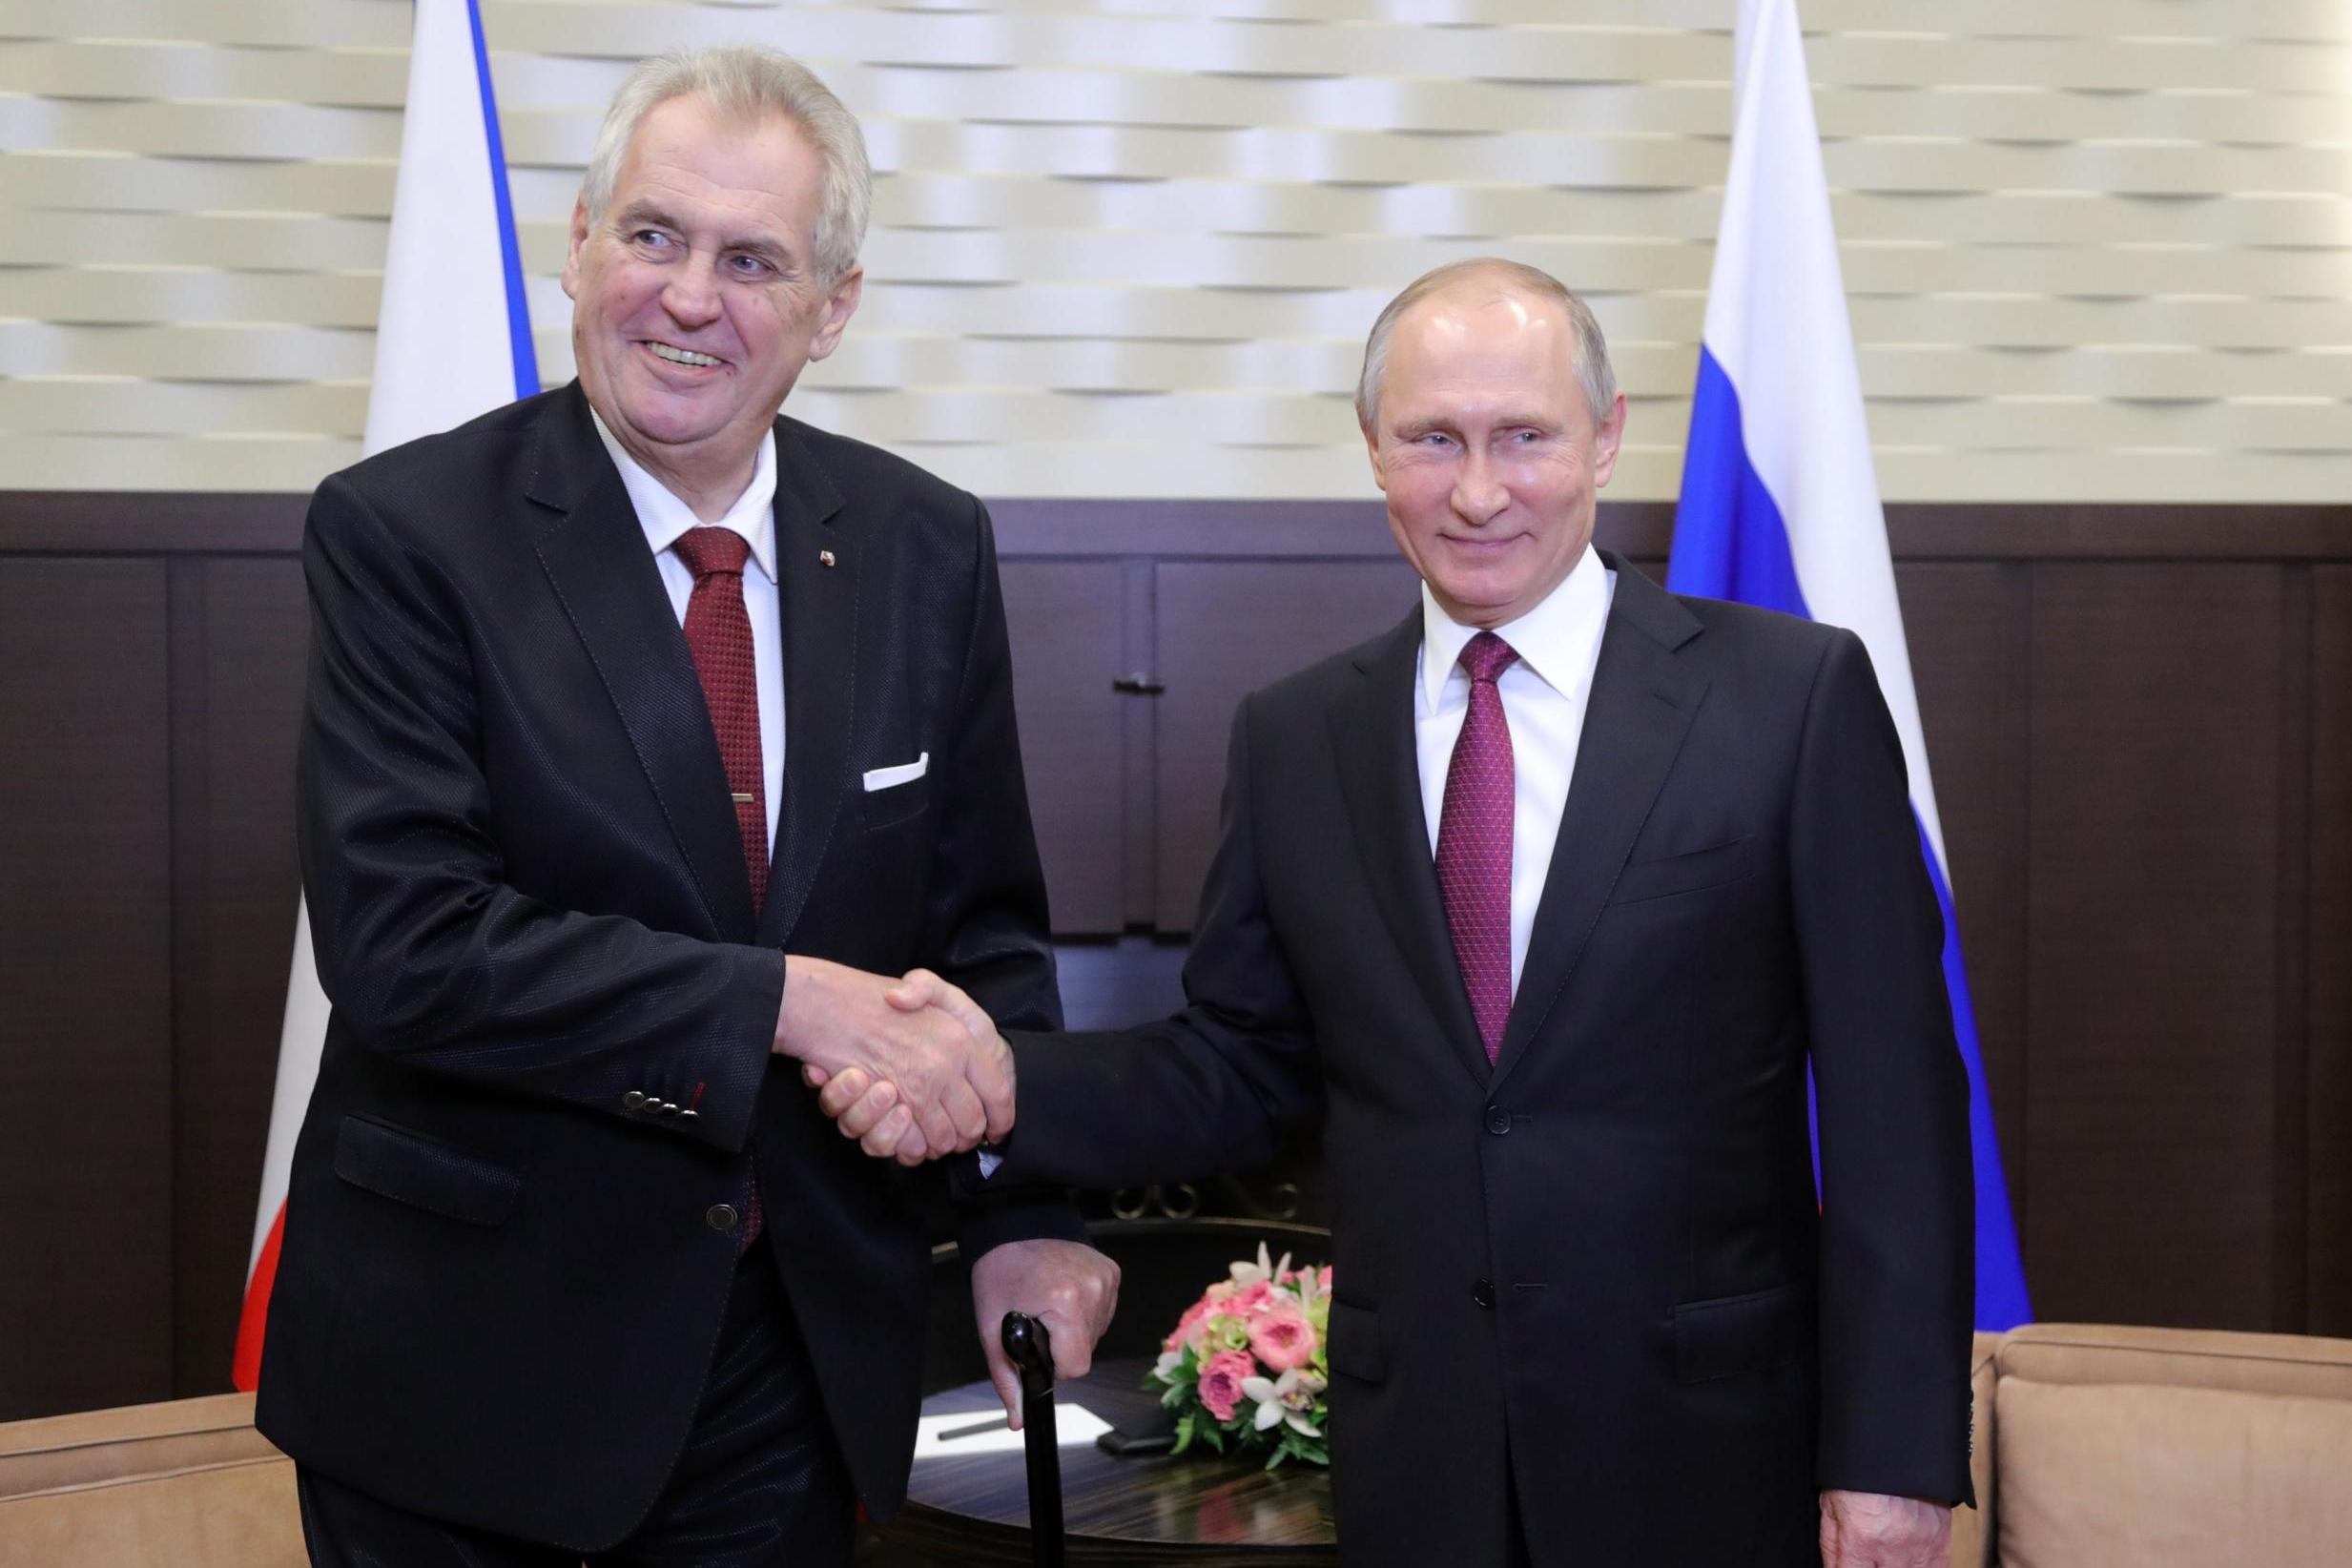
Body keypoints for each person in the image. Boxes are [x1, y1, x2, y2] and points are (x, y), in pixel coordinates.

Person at [820, 259, 1975, 1567]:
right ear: (1373, 450)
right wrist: (988, 1082)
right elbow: (1234, 1073)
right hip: (1415, 1462)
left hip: (1710, 1450)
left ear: (1604, 436)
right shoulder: (1297, 735)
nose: (1476, 490)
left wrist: (1890, 1462)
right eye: (1431, 439)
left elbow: (1897, 1118)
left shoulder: (1787, 700)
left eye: (1522, 437)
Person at [257, 44, 1117, 1568]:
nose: (687, 295)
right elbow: (406, 947)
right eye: (651, 235)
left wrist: (1017, 1213)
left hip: (792, 1367)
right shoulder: (405, 536)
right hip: (468, 1378)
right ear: (579, 244)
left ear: (830, 308)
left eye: (752, 259)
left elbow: (979, 928)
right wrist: (794, 1007)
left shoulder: (924, 545)